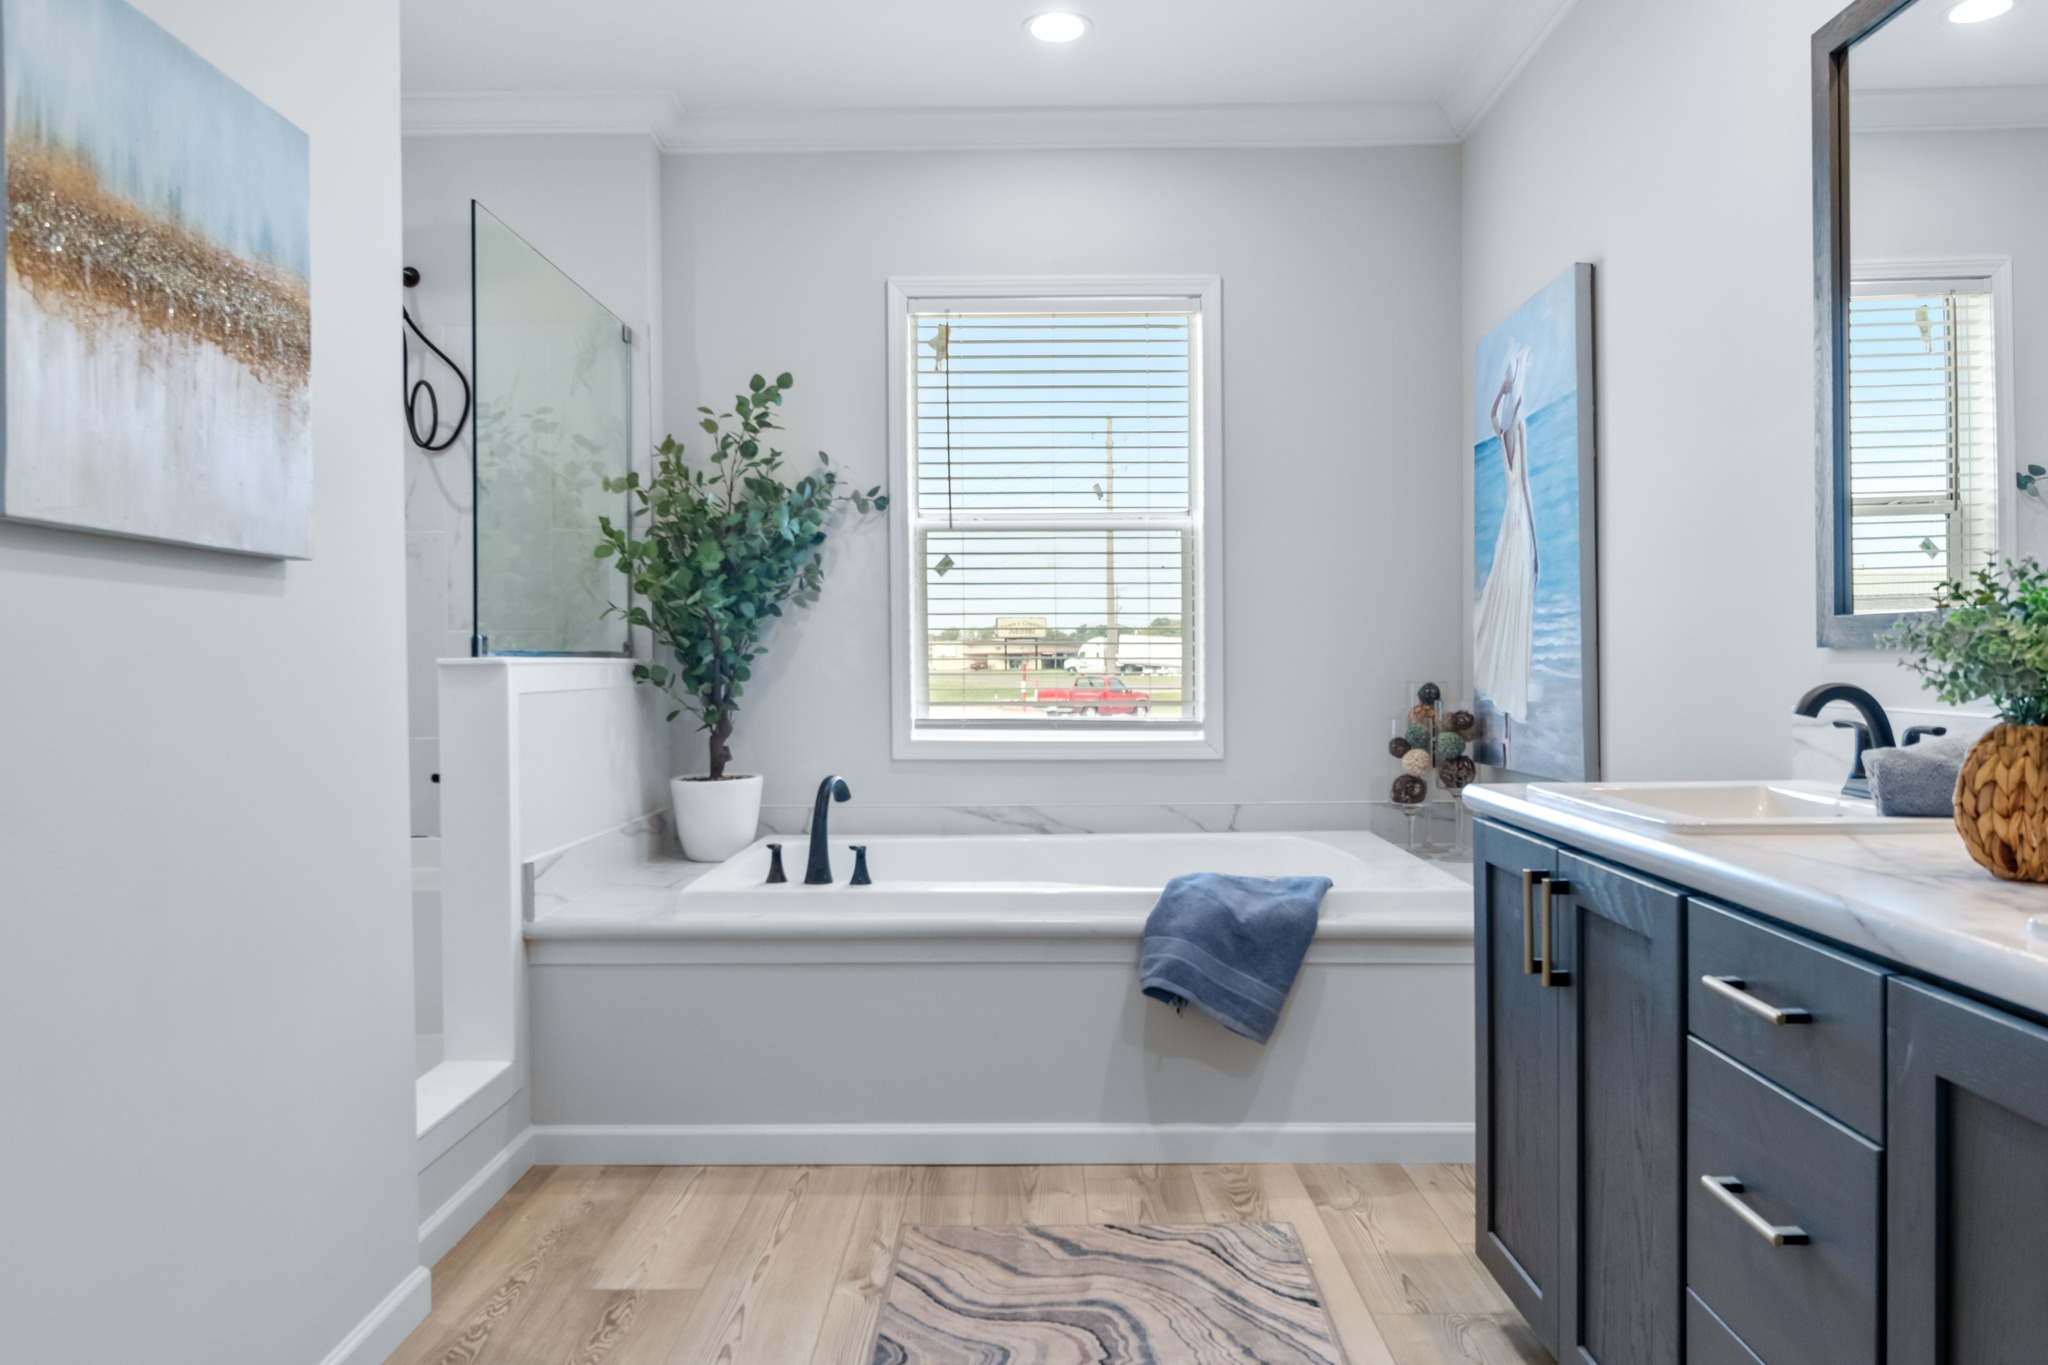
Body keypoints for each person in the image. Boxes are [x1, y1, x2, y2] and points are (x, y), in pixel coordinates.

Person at [1475, 343, 1537, 721]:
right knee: (1511, 584)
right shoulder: (1516, 432)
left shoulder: (1505, 435)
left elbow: (1493, 417)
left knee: (1506, 583)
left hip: (1510, 518)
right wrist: (1511, 383)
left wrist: (1503, 387)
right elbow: (1525, 489)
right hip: (1517, 517)